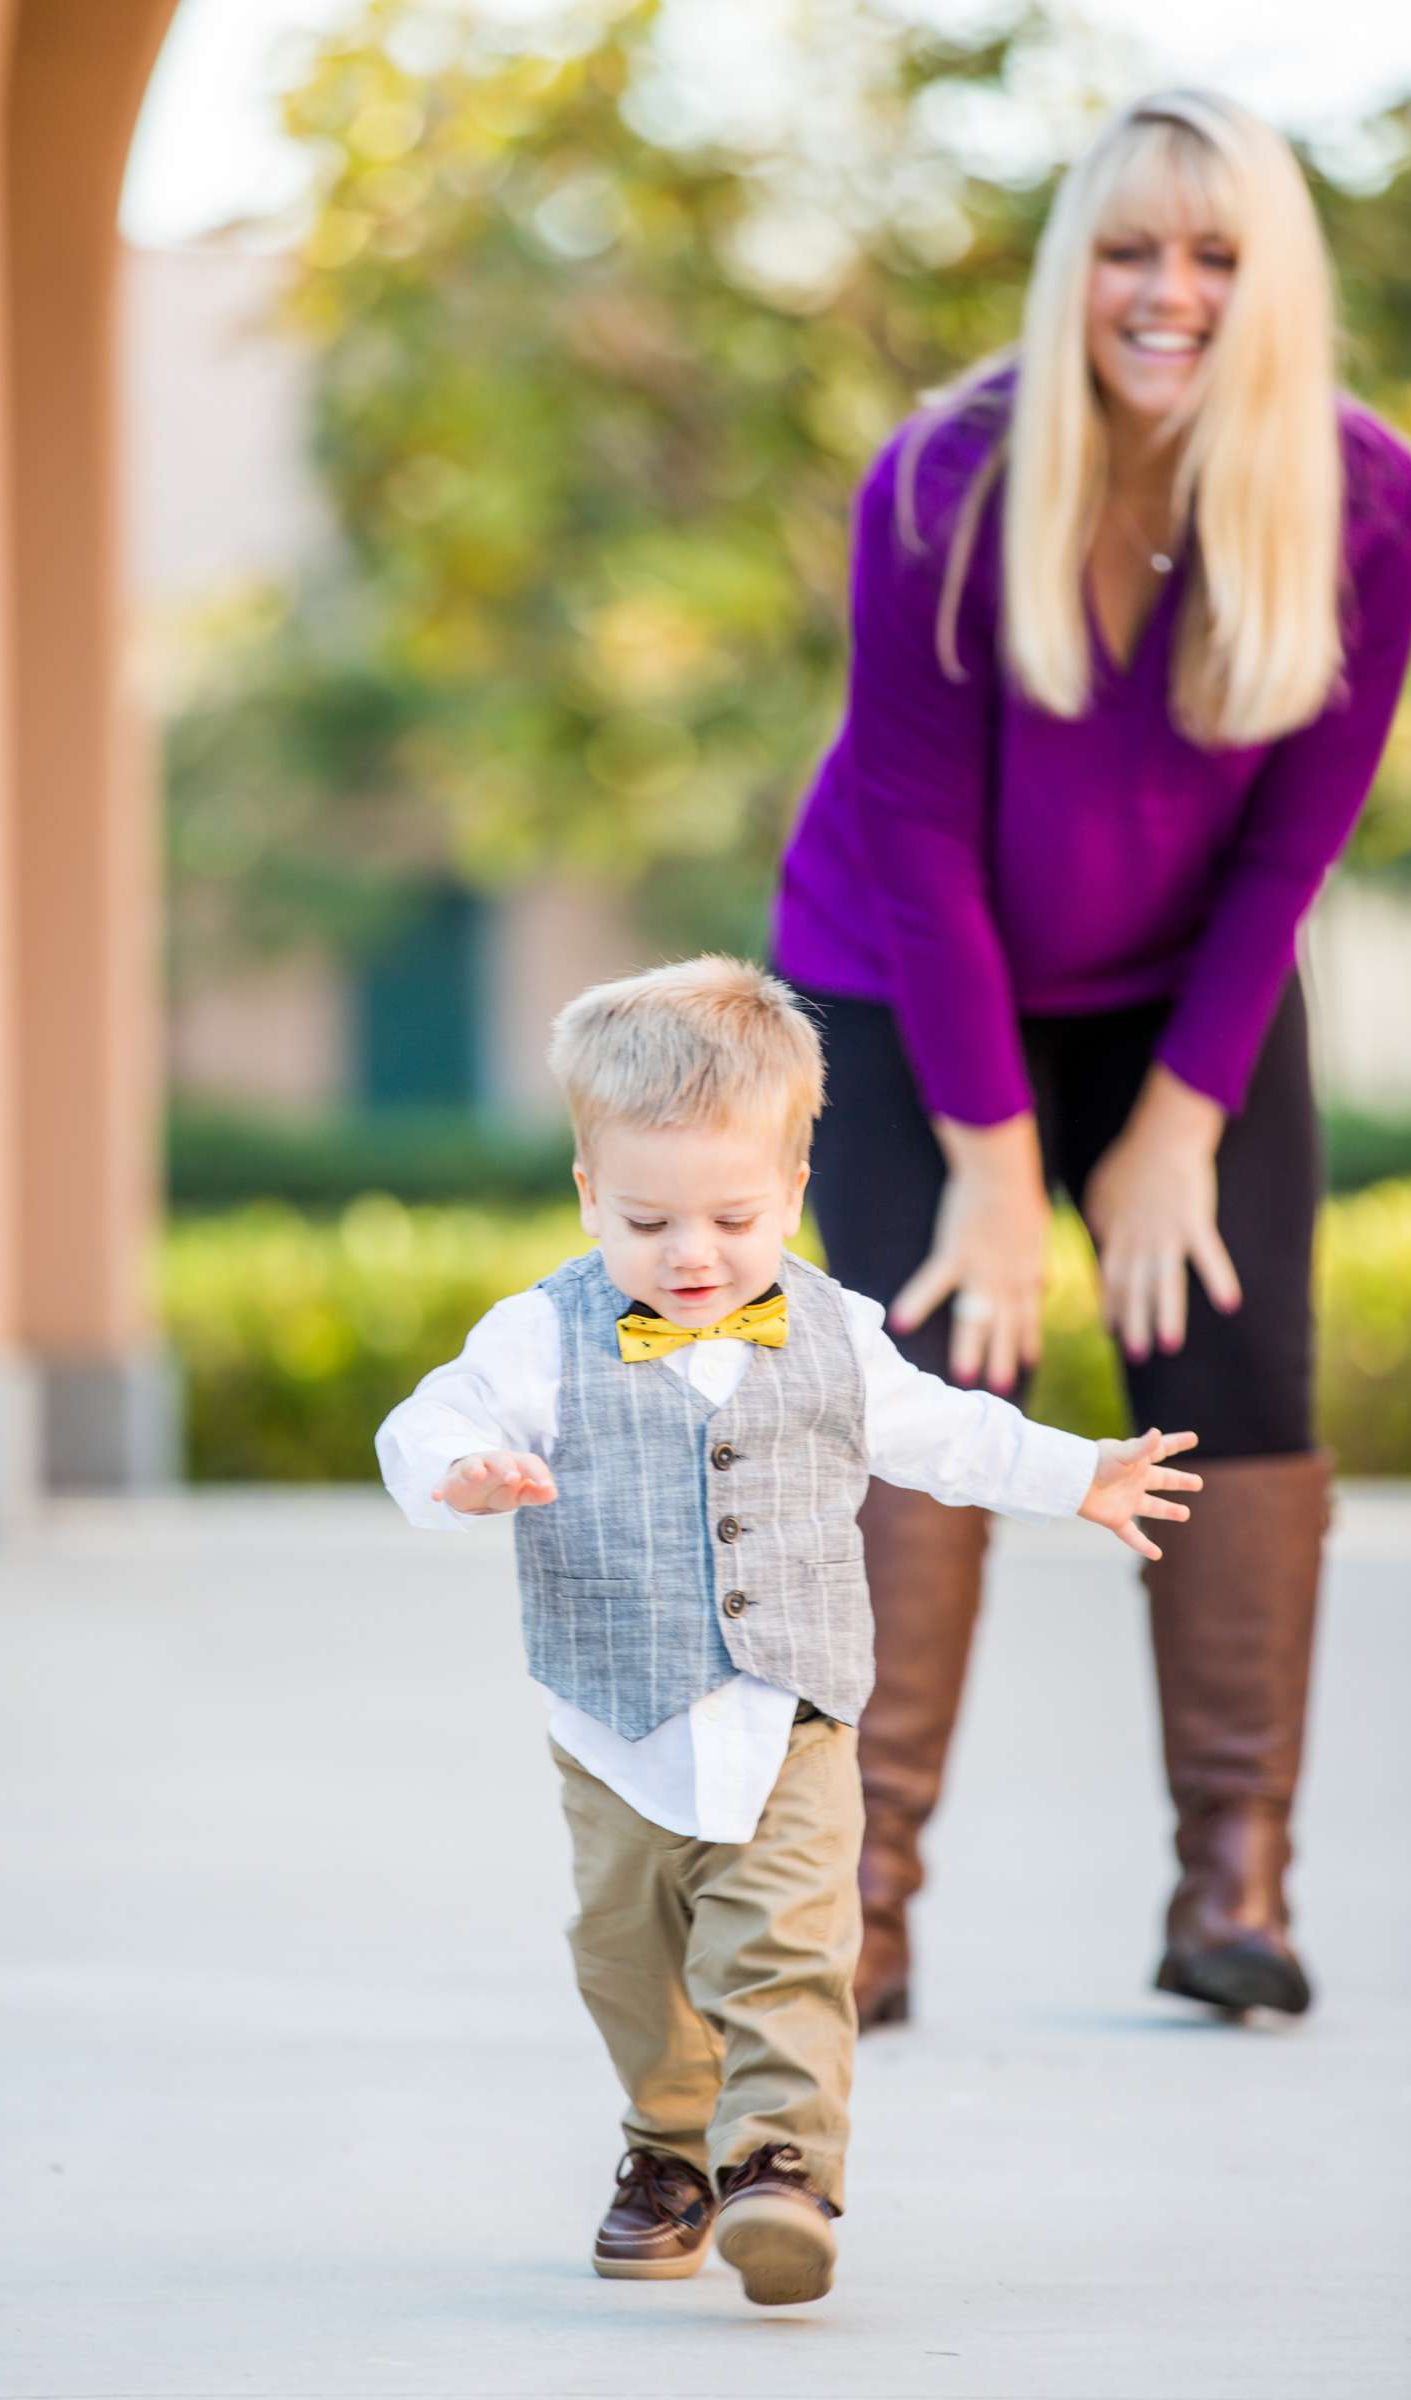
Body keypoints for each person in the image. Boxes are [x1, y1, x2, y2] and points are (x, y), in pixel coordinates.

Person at [770, 90, 1411, 2031]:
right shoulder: (935, 484)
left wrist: (1174, 1122)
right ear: (1077, 271)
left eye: (1214, 256)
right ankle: (858, 1904)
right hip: (905, 981)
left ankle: (1229, 1883)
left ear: (1268, 284)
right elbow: (910, 830)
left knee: (1230, 1359)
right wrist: (991, 1157)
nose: (1168, 295)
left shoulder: (1368, 496)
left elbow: (1291, 839)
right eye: (1130, 252)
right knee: (917, 1376)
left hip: (1181, 992)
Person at [376, 956, 1202, 2306]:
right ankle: (668, 2153)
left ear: (794, 1195)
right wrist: (462, 1475)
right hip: (615, 1733)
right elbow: (430, 1423)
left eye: (730, 1217)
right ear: (589, 1194)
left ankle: (782, 2175)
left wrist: (1078, 1473)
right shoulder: (539, 1335)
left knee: (788, 1958)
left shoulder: (835, 1332)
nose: (690, 1254)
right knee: (630, 1965)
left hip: (793, 1721)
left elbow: (946, 1432)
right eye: (644, 1222)